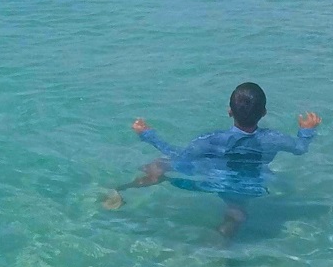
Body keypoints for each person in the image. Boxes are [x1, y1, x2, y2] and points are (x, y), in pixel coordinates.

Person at [102, 81, 321, 239]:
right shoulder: (275, 139)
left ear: (229, 112)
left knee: (159, 165)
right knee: (236, 213)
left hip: (212, 178)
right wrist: (307, 131)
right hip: (248, 184)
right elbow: (300, 149)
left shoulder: (211, 140)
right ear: (264, 113)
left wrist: (148, 135)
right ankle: (218, 245)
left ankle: (119, 191)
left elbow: (179, 156)